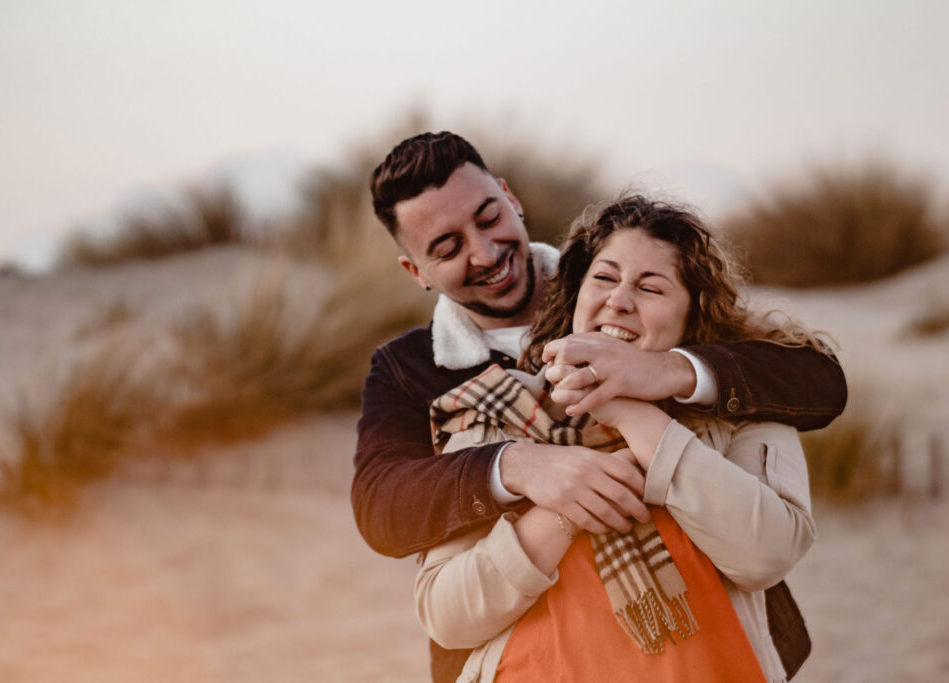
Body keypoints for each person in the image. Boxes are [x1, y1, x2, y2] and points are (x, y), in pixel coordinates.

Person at [352, 131, 844, 680]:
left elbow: (816, 381)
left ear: (511, 198)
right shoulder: (420, 377)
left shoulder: (617, 269)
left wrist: (663, 373)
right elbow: (382, 505)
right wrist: (520, 467)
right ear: (416, 272)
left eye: (489, 218)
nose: (485, 253)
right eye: (447, 248)